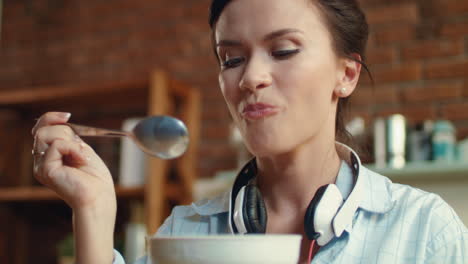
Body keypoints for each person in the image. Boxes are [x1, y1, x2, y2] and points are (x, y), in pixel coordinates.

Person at [31, 0, 468, 263]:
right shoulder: (185, 234)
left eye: (282, 50)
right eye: (231, 59)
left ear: (347, 74)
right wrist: (92, 209)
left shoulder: (424, 230)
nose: (250, 78)